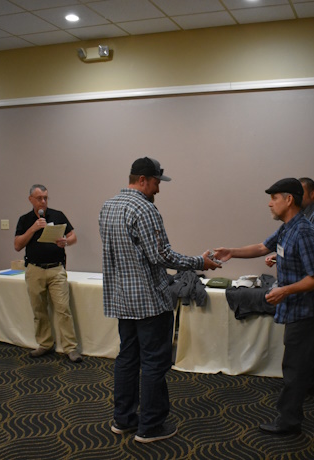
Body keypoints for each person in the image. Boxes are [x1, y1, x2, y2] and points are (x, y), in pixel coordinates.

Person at [214, 178, 314, 435]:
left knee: (294, 367)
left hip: (307, 311)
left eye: (274, 198)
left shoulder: (303, 231)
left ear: (289, 200)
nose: (270, 204)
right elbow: (262, 247)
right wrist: (231, 252)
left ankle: (289, 421)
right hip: (309, 308)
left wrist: (285, 290)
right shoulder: (287, 228)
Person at [99, 157, 221, 443]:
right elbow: (161, 255)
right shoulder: (145, 208)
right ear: (142, 179)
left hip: (122, 299)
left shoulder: (108, 206)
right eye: (156, 182)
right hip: (149, 300)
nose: (158, 189)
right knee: (154, 362)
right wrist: (199, 262)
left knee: (127, 359)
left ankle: (123, 420)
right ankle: (150, 426)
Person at [14, 184, 82, 363]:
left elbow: (73, 236)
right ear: (31, 200)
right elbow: (17, 245)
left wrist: (66, 241)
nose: (43, 201)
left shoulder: (58, 215)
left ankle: (70, 348)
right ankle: (45, 344)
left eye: (45, 198)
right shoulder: (25, 219)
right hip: (34, 270)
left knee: (63, 309)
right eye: (39, 198)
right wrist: (33, 228)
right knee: (39, 309)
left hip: (56, 269)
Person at [265, 177, 314, 266]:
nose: (297, 196)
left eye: (301, 193)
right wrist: (279, 257)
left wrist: (286, 258)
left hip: (309, 275)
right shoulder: (299, 216)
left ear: (312, 194)